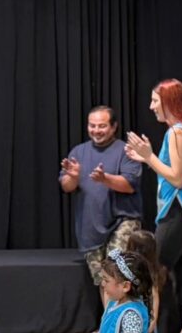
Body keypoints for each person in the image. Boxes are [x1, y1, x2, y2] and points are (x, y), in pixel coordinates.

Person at [125, 79, 182, 322]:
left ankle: (163, 332)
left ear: (170, 102)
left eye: (155, 100)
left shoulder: (177, 132)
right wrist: (147, 158)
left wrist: (149, 156)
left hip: (180, 209)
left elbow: (177, 178)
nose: (151, 106)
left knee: (157, 272)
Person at [59, 106, 142, 311]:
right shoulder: (78, 152)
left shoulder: (126, 151)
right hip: (91, 227)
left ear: (113, 127)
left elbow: (129, 185)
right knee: (104, 280)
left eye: (102, 126)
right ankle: (110, 321)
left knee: (117, 273)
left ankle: (124, 320)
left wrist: (105, 179)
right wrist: (73, 177)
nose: (96, 130)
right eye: (92, 125)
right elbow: (66, 186)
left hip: (123, 221)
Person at [125, 230, 166, 333]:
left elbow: (154, 297)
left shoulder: (150, 273)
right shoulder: (153, 270)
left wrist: (152, 322)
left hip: (141, 319)